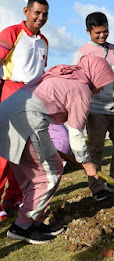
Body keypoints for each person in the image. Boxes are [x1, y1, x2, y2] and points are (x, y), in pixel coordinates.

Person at [0, 55, 114, 244]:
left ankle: (34, 222)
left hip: (6, 114)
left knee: (33, 176)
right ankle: (22, 226)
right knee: (51, 174)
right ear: (96, 74)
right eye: (103, 80)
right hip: (26, 120)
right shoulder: (81, 89)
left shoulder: (67, 76)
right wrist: (86, 163)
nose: (103, 87)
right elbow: (76, 133)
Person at [0, 0, 51, 221]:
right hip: (11, 90)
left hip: (33, 95)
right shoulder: (11, 33)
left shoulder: (45, 42)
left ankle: (12, 198)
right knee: (4, 151)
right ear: (26, 11)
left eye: (45, 14)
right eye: (37, 12)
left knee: (24, 152)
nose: (41, 17)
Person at [73, 12, 114, 201]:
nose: (102, 36)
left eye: (105, 31)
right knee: (96, 148)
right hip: (96, 110)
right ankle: (97, 187)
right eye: (97, 33)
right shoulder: (82, 53)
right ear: (88, 31)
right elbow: (77, 83)